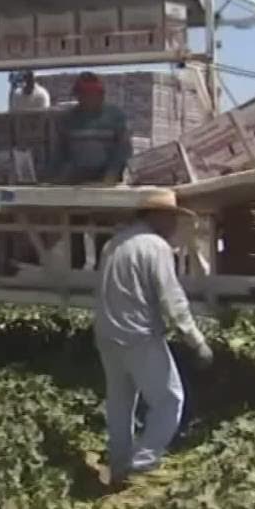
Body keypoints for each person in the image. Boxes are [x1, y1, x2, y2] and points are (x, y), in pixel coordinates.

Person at [94, 191, 214, 490]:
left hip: (107, 335)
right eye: (171, 217)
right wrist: (196, 340)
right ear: (156, 216)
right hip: (139, 335)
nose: (174, 224)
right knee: (170, 400)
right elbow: (172, 299)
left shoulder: (114, 244)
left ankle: (119, 468)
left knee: (120, 403)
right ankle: (142, 465)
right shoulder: (155, 246)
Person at [56, 71, 133, 269]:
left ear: (100, 95)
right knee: (74, 230)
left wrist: (111, 175)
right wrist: (57, 177)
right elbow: (60, 152)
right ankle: (76, 271)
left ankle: (102, 269)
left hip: (105, 180)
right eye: (81, 95)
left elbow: (123, 150)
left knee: (103, 231)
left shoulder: (115, 117)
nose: (86, 100)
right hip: (76, 182)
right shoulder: (68, 119)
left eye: (90, 95)